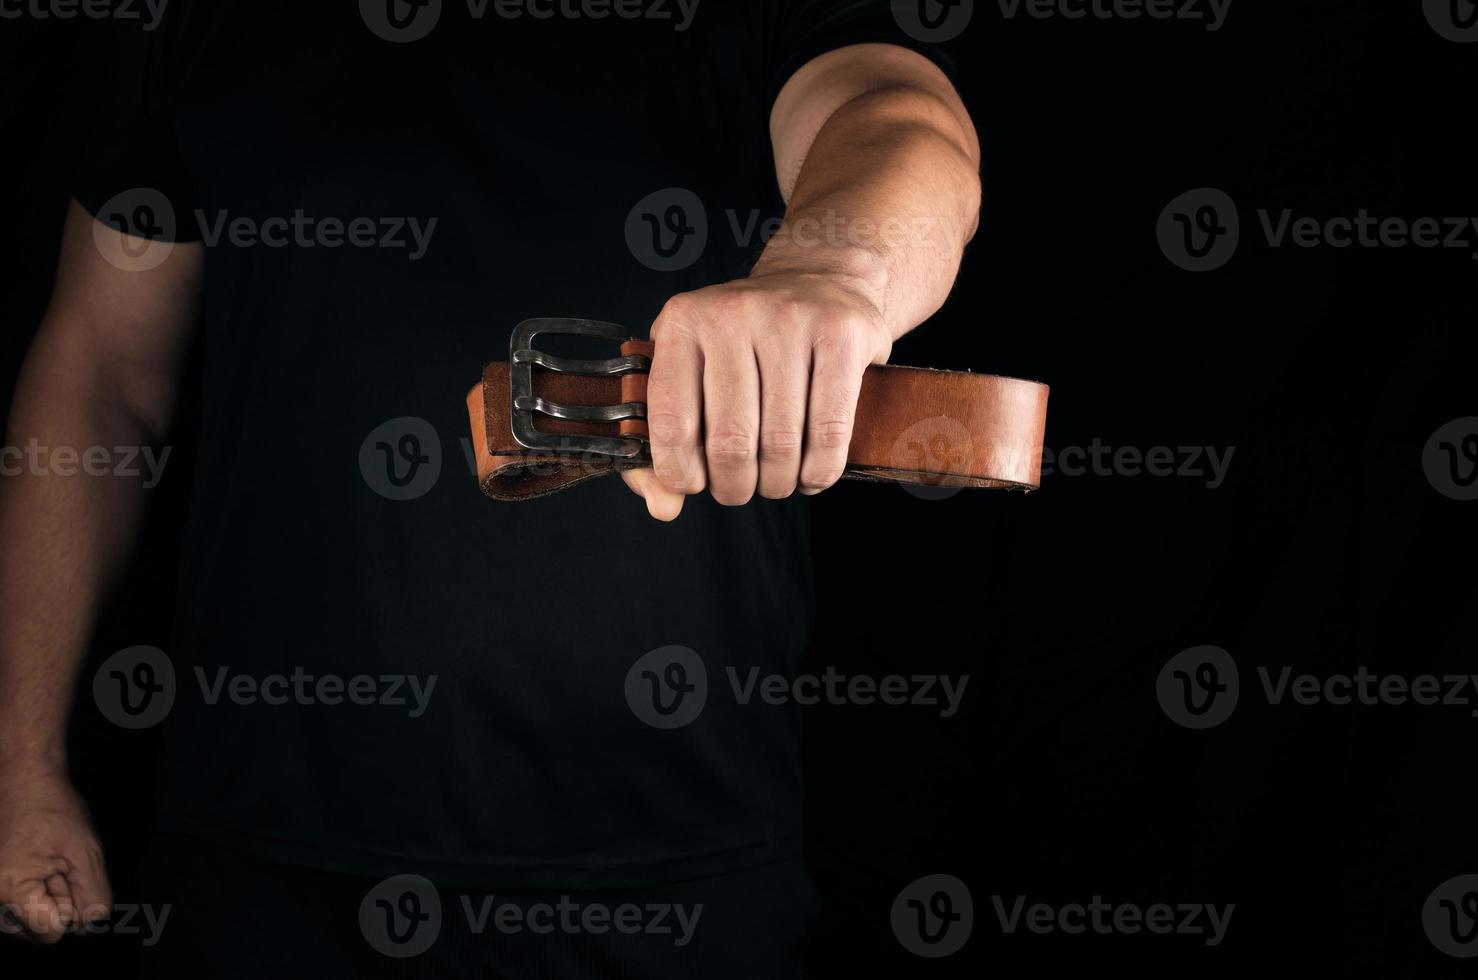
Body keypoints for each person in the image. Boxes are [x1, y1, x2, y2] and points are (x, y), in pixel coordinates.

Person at [0, 1, 981, 974]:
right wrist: (20, 762)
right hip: (255, 861)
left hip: (673, 868)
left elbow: (901, 117)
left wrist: (831, 266)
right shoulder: (188, 19)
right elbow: (101, 374)